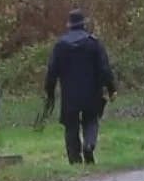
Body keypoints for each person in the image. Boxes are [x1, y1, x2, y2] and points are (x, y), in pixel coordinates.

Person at [45, 9, 116, 165]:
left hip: (69, 95)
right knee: (91, 120)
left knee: (71, 126)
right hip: (92, 93)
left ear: (69, 26)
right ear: (84, 24)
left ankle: (75, 160)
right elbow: (104, 69)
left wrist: (49, 93)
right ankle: (89, 145)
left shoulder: (60, 46)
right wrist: (111, 89)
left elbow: (52, 72)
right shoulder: (94, 43)